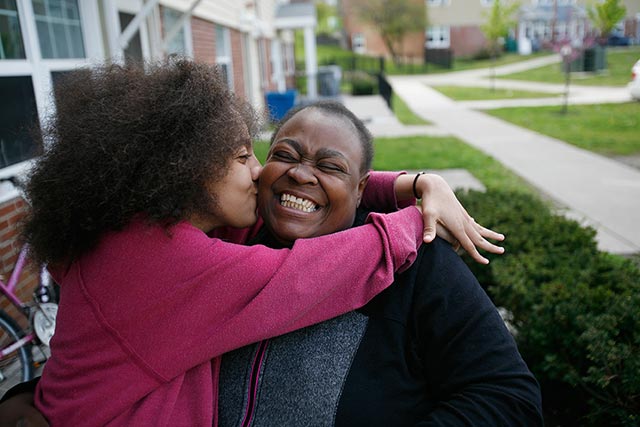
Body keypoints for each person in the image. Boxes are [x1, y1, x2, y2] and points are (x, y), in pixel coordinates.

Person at [0, 60, 504, 426]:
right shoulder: (183, 256)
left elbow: (504, 395)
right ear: (189, 169)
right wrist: (412, 220)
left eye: (332, 169)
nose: (262, 170)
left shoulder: (151, 230)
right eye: (249, 156)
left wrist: (414, 184)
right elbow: (302, 277)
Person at [216, 101, 543, 426]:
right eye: (285, 156)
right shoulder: (229, 244)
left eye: (330, 166)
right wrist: (418, 183)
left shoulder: (415, 263)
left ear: (361, 190)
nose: (300, 174)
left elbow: (509, 398)